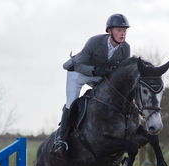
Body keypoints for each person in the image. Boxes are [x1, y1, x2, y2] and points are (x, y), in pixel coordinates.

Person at [51, 14, 131, 156]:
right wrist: (95, 70)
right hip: (78, 73)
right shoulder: (94, 42)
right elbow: (78, 64)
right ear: (109, 31)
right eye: (119, 30)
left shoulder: (125, 48)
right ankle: (61, 139)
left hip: (98, 75)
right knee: (71, 102)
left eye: (124, 30)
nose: (122, 34)